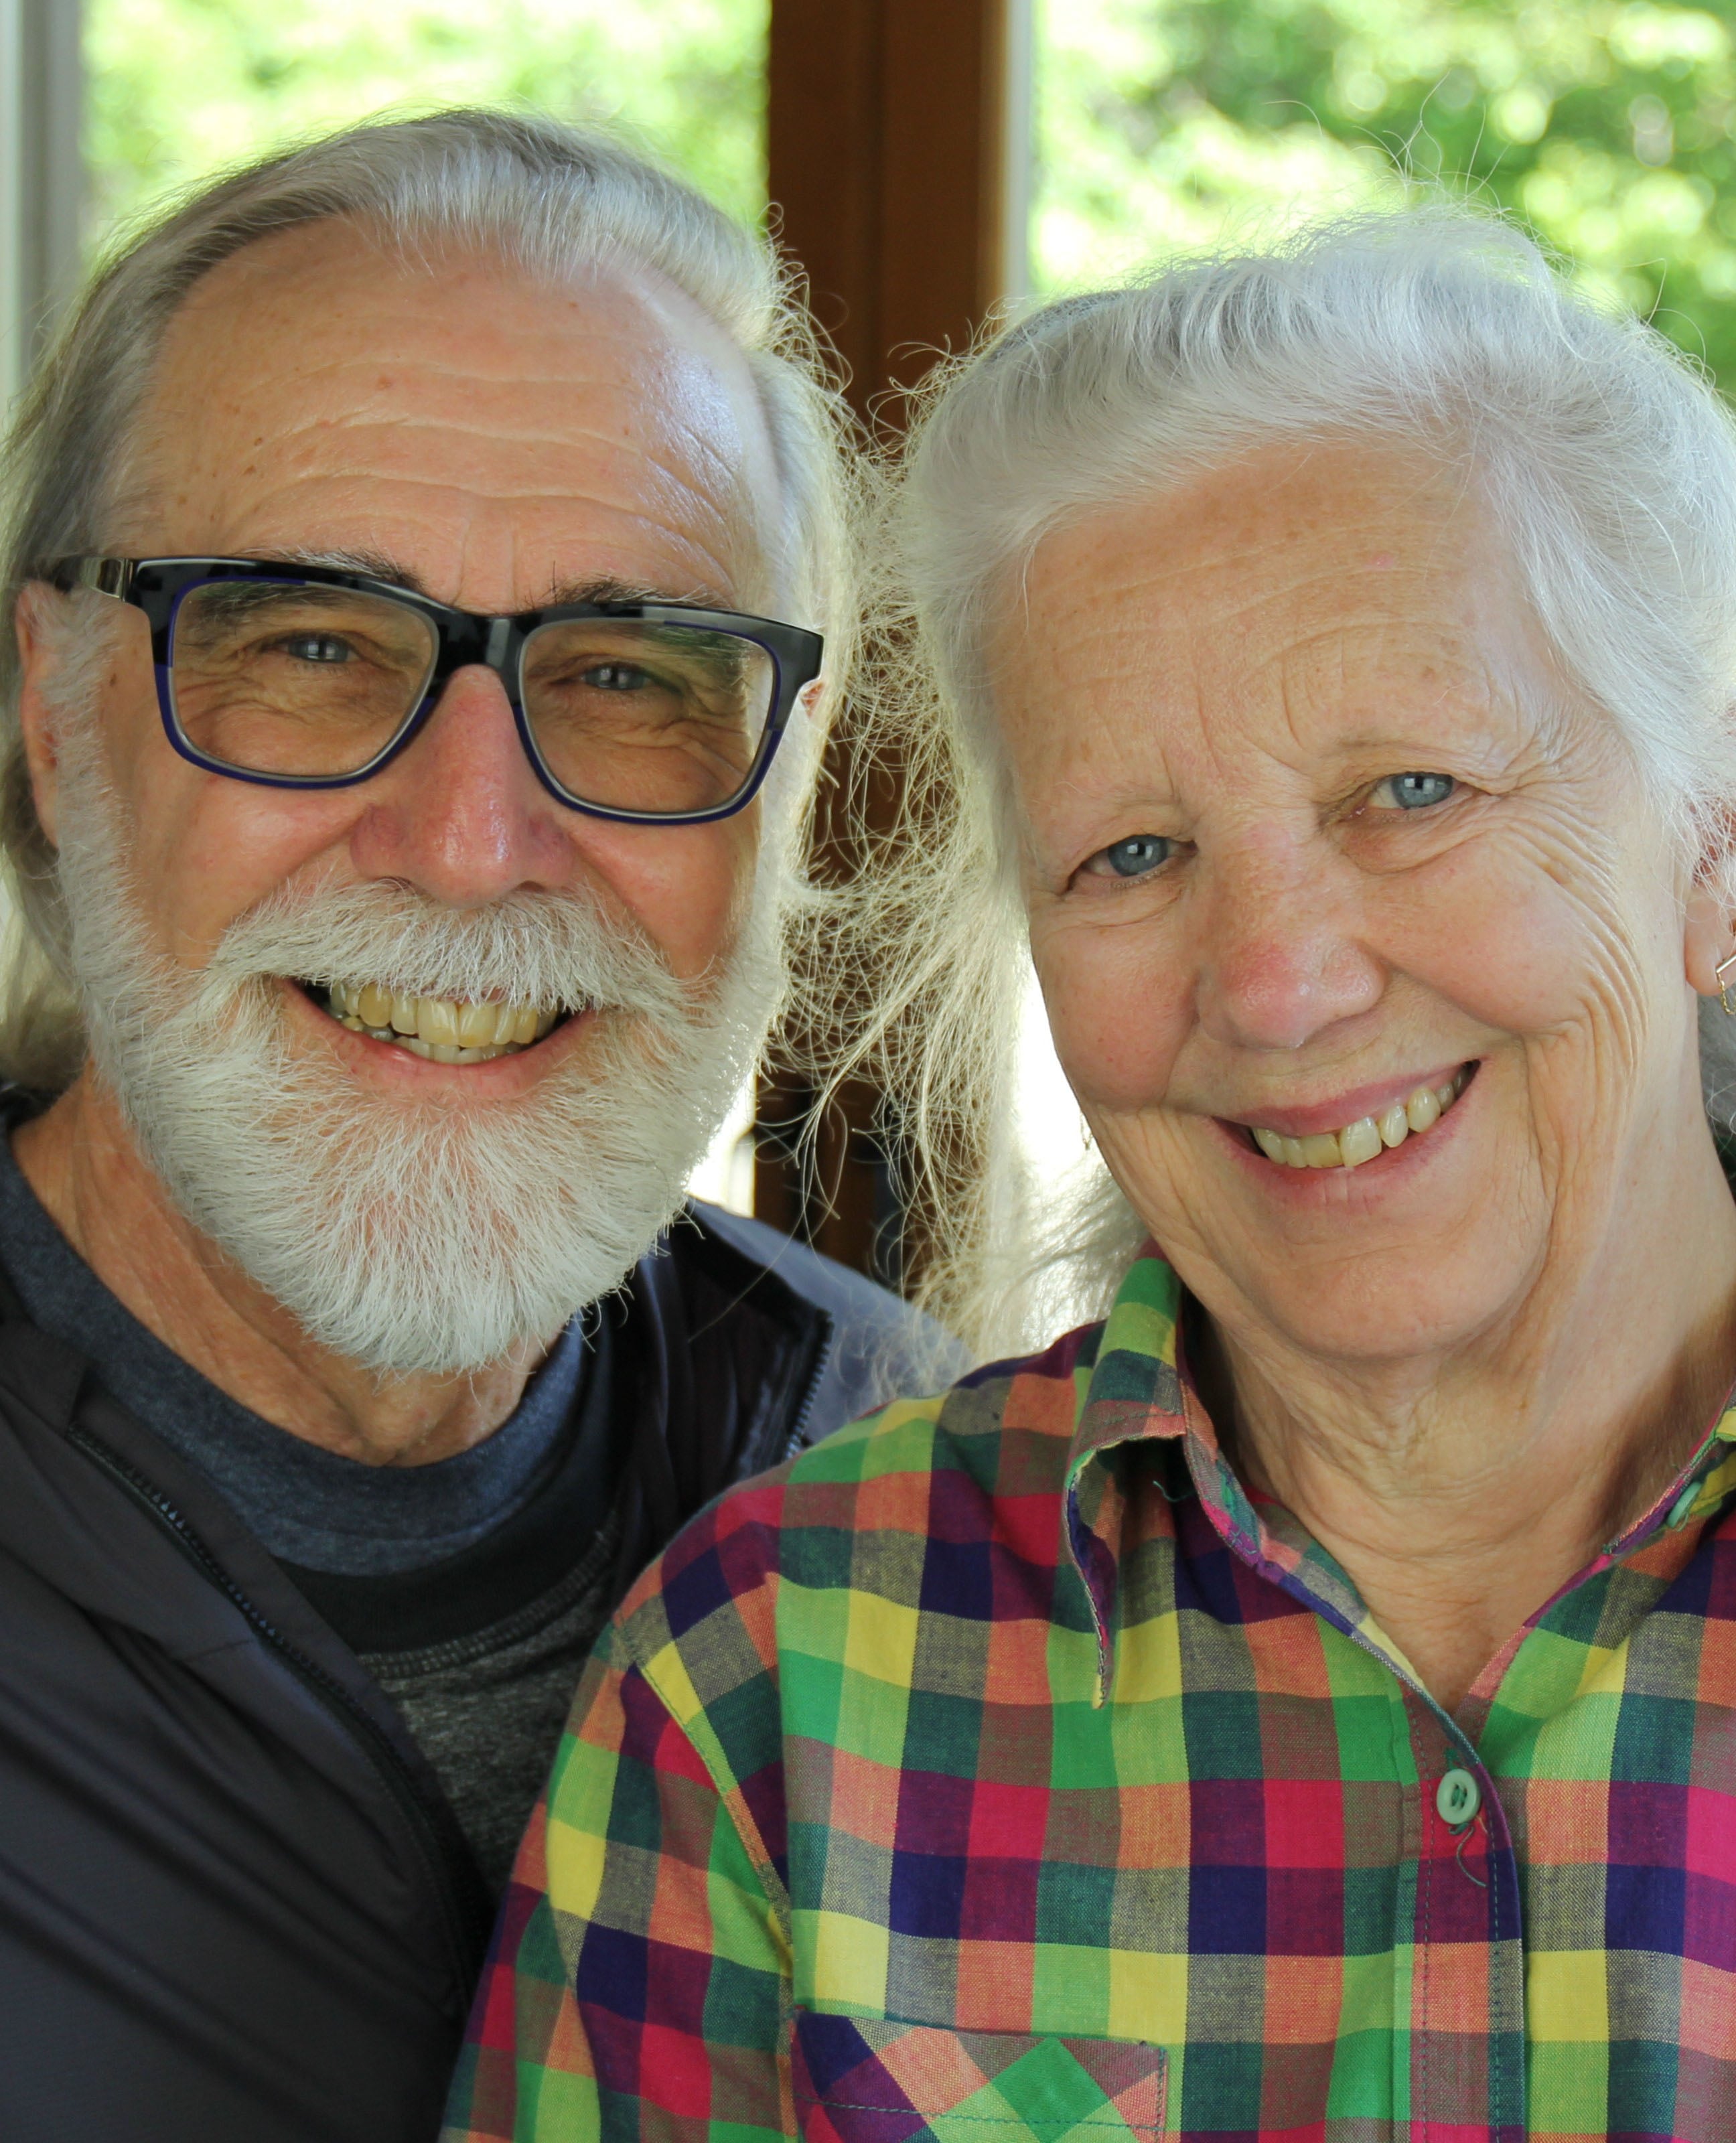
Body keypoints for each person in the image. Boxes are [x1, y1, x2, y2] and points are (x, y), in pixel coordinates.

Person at [447, 210, 1736, 2142]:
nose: (1278, 986)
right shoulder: (780, 1684)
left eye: (1413, 791)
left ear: (1713, 841)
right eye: (1129, 855)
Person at [0, 108, 941, 2143]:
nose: (469, 842)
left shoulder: (935, 1508)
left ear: (788, 785)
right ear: (52, 713)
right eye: (310, 647)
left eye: (629, 678)